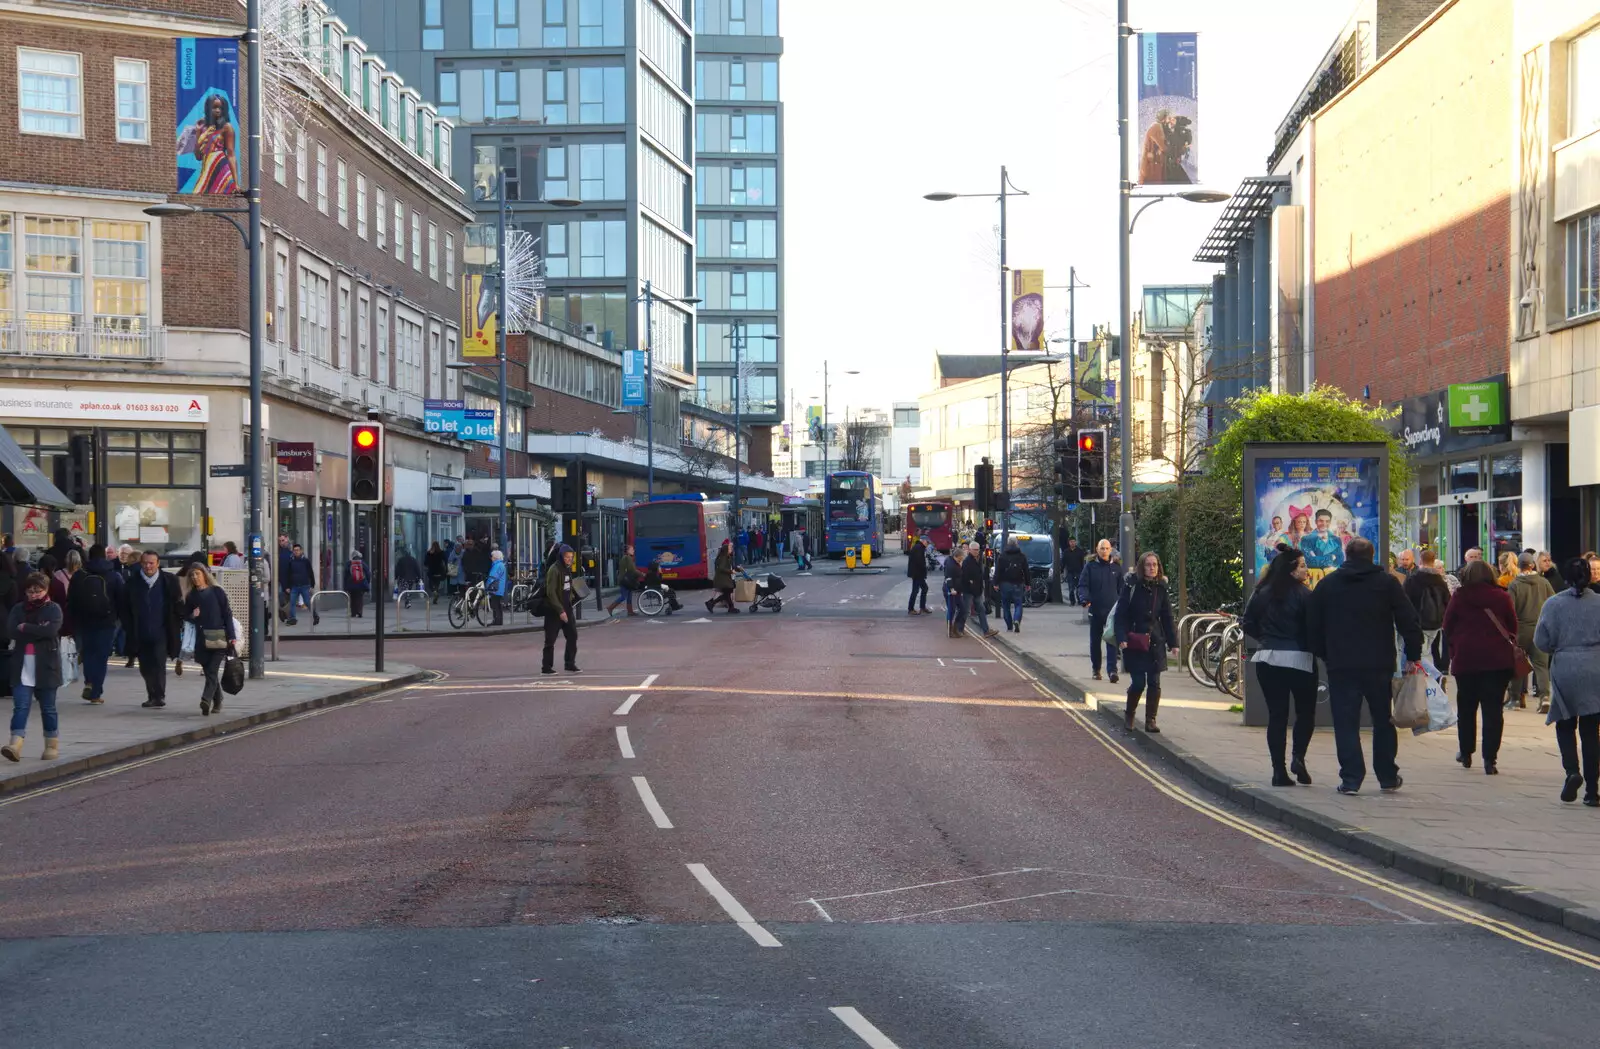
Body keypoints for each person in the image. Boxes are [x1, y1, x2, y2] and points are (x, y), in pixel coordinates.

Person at [1307, 537, 1423, 795]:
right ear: (1372, 556)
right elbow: (1408, 620)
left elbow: (1312, 623)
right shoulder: (1387, 583)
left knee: (1345, 722)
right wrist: (1413, 655)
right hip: (1379, 663)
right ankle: (1387, 776)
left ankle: (1351, 778)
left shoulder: (1329, 584)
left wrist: (1324, 653)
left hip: (1341, 664)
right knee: (1383, 720)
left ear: (1346, 555)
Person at [1244, 544, 1318, 786]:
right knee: (1305, 712)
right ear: (1291, 570)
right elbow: (1313, 629)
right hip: (1300, 659)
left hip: (1268, 658)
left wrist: (1266, 639)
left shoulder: (1261, 592)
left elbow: (1248, 623)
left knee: (1277, 715)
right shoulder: (1305, 595)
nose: (1307, 570)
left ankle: (1279, 771)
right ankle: (1298, 757)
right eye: (1303, 566)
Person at [1441, 560, 1518, 774]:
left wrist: (1456, 645)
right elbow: (1512, 626)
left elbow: (1447, 625)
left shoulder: (1460, 597)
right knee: (1493, 711)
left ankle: (1466, 753)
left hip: (1467, 660)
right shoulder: (1502, 597)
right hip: (1497, 661)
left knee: (1466, 708)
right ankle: (1490, 759)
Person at [1535, 557, 1600, 805]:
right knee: (1591, 730)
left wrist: (1559, 646)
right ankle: (1593, 791)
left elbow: (1541, 640)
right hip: (1595, 666)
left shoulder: (1553, 604)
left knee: (1565, 723)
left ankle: (1572, 771)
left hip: (1565, 667)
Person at [2, 573, 64, 763]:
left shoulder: (54, 609)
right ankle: (15, 744)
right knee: (20, 707)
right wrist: (36, 628)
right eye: (30, 591)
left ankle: (51, 745)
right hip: (22, 666)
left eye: (38, 591)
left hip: (46, 666)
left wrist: (25, 627)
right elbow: (11, 630)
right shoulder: (18, 608)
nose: (34, 595)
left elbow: (50, 631)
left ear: (46, 590)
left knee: (48, 708)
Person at [1115, 552, 1177, 733]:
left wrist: (1174, 643)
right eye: (1148, 565)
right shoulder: (1131, 586)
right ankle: (1130, 714)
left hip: (1155, 641)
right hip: (1134, 641)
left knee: (1155, 682)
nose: (1152, 568)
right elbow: (1121, 615)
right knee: (1139, 683)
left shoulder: (1161, 588)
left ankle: (1151, 720)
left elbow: (1167, 616)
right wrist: (1122, 638)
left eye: (1155, 565)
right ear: (1142, 567)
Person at [124, 551, 183, 709]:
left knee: (159, 663)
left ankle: (158, 696)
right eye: (145, 563)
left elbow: (177, 604)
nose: (148, 566)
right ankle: (152, 694)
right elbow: (125, 608)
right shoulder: (132, 582)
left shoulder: (169, 581)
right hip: (140, 631)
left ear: (158, 563)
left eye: (151, 563)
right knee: (145, 666)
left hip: (162, 631)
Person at [69, 544, 123, 705]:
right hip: (106, 621)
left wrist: (75, 617)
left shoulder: (79, 575)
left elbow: (71, 598)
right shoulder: (113, 575)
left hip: (84, 620)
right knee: (101, 656)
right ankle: (96, 691)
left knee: (88, 653)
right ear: (105, 556)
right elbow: (121, 598)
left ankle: (89, 682)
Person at [182, 563, 237, 717]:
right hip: (201, 640)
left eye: (197, 574)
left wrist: (232, 636)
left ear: (204, 575)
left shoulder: (217, 592)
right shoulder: (191, 596)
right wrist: (193, 615)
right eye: (192, 575)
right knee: (209, 673)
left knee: (212, 670)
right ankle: (218, 700)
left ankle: (206, 700)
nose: (195, 577)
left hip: (219, 637)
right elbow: (185, 616)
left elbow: (227, 614)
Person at [1508, 552, 1556, 713]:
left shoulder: (1515, 584)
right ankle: (1545, 698)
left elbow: (1510, 609)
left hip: (1521, 630)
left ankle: (1514, 699)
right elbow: (1553, 603)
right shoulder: (1544, 583)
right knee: (1541, 666)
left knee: (1518, 663)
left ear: (1518, 566)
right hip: (1541, 628)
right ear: (1533, 565)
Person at [1078, 539, 1122, 683]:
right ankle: (1096, 669)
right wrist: (1084, 599)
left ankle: (1112, 671)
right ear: (1097, 550)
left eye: (1107, 548)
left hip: (1112, 611)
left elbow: (1122, 589)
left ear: (1111, 550)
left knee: (1111, 639)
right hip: (1096, 609)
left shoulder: (1116, 568)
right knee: (1095, 642)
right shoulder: (1090, 567)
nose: (1104, 551)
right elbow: (1083, 585)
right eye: (1102, 548)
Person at [1404, 548, 1453, 672]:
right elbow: (1448, 601)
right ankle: (1434, 676)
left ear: (1420, 560)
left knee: (1419, 654)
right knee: (1427, 651)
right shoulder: (1440, 581)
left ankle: (1435, 675)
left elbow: (1405, 601)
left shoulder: (1413, 579)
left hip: (1418, 622)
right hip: (1436, 623)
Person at [541, 544, 580, 674]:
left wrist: (573, 597)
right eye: (567, 557)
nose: (569, 559)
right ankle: (546, 667)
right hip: (554, 610)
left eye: (571, 557)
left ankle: (570, 663)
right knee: (550, 640)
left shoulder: (567, 569)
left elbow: (567, 588)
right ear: (561, 556)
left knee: (573, 636)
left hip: (567, 608)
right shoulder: (554, 570)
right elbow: (551, 592)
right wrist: (560, 611)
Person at [961, 540, 997, 638]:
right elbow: (965, 576)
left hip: (977, 591)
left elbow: (980, 574)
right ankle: (959, 629)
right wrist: (971, 583)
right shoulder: (967, 561)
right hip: (969, 591)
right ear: (970, 550)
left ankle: (986, 631)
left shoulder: (979, 559)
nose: (977, 551)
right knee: (966, 611)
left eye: (978, 550)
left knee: (981, 610)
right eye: (975, 550)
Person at [995, 538, 1031, 633]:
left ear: (1007, 543)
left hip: (1004, 584)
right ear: (1017, 544)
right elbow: (1026, 571)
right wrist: (1028, 583)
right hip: (1018, 583)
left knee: (1006, 606)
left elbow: (998, 571)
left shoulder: (1002, 556)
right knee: (1018, 604)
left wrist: (995, 583)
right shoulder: (1022, 556)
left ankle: (1009, 627)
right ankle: (1016, 620)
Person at [707, 539, 740, 614]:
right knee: (727, 593)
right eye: (729, 548)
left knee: (726, 594)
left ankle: (712, 604)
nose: (731, 549)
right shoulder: (723, 557)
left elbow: (731, 566)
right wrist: (731, 571)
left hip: (725, 579)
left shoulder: (727, 557)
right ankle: (729, 607)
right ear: (726, 550)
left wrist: (738, 569)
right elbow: (722, 568)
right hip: (722, 580)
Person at [285, 543, 316, 624]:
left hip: (304, 585)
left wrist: (312, 584)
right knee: (292, 603)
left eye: (298, 550)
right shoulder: (291, 561)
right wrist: (288, 586)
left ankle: (315, 616)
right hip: (294, 586)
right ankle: (293, 619)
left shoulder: (306, 561)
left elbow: (310, 573)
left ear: (301, 551)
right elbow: (288, 574)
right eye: (295, 550)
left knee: (307, 602)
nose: (296, 552)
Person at [609, 543, 639, 617]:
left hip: (626, 580)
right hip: (624, 580)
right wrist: (642, 574)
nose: (633, 551)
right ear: (628, 551)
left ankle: (630, 611)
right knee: (624, 596)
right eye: (632, 549)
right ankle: (610, 607)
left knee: (629, 596)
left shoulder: (627, 557)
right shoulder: (627, 558)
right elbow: (631, 569)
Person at [943, 545, 967, 637]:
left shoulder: (955, 562)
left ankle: (954, 627)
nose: (961, 560)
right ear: (956, 556)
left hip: (957, 590)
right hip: (950, 590)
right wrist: (951, 589)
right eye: (960, 558)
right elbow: (948, 578)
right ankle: (950, 630)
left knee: (962, 609)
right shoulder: (951, 565)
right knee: (952, 610)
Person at [906, 536, 930, 616]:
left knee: (924, 588)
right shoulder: (918, 548)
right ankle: (911, 608)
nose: (928, 544)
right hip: (917, 573)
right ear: (923, 541)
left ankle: (922, 607)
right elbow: (919, 561)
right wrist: (925, 567)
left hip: (918, 573)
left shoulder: (919, 547)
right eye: (927, 542)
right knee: (915, 590)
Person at [1061, 537, 1087, 607]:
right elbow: (1063, 562)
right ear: (1069, 543)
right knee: (1071, 588)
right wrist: (1061, 570)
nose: (1072, 543)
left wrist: (1083, 571)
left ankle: (1079, 600)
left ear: (1076, 542)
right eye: (1071, 542)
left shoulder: (1080, 551)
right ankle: (1072, 601)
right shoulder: (1066, 552)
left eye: (1074, 541)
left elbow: (1082, 562)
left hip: (1078, 572)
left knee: (1079, 587)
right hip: (1070, 572)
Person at [344, 551, 370, 618]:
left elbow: (345, 575)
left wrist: (345, 586)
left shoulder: (349, 563)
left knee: (352, 598)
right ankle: (359, 611)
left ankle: (353, 612)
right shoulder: (362, 563)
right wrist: (367, 582)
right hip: (361, 583)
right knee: (360, 598)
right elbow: (368, 573)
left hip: (351, 584)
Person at [486, 549, 508, 625]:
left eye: (492, 556)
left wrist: (487, 586)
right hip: (499, 588)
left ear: (495, 557)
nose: (491, 558)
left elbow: (492, 577)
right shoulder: (501, 565)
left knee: (495, 605)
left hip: (495, 588)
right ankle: (499, 621)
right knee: (498, 605)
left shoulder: (497, 565)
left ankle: (497, 620)